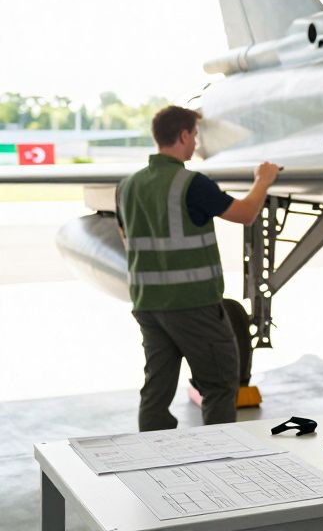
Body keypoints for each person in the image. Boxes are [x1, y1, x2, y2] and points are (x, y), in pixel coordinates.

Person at [116, 105, 279, 431]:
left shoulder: (127, 186)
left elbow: (127, 237)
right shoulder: (190, 183)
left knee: (156, 392)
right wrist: (263, 180)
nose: (196, 143)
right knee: (220, 384)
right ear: (183, 135)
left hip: (148, 305)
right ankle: (216, 464)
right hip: (193, 306)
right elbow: (246, 213)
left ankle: (155, 462)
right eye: (194, 135)